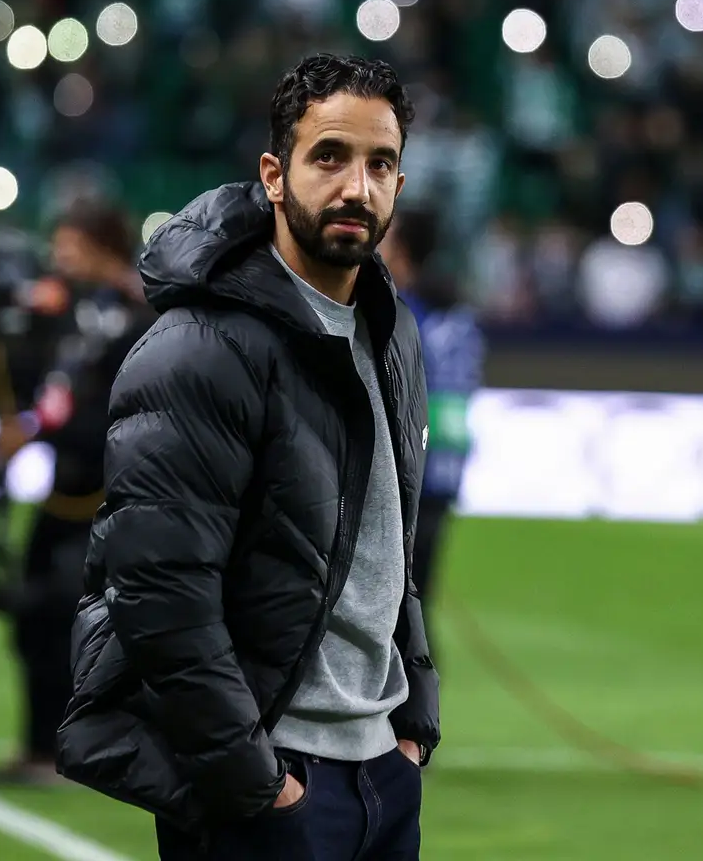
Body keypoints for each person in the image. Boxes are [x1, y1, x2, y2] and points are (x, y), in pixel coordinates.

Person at [59, 54, 438, 861]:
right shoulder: (199, 348)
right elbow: (159, 592)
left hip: (382, 774)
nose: (356, 188)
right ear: (274, 173)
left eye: (381, 165)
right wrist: (260, 785)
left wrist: (413, 727)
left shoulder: (391, 329)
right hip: (273, 786)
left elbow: (389, 548)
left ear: (400, 185)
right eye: (328, 156)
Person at [0, 199, 153, 785]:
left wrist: (35, 430)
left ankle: (73, 751)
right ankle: (37, 747)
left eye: (70, 248)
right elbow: (44, 389)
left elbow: (113, 414)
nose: (58, 260)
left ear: (102, 247)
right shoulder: (73, 316)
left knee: (71, 623)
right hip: (65, 491)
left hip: (112, 497)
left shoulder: (138, 317)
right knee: (33, 619)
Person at [379, 209, 483, 607]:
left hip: (411, 464)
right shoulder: (457, 312)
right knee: (416, 601)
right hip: (447, 462)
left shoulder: (406, 312)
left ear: (402, 249)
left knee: (396, 606)